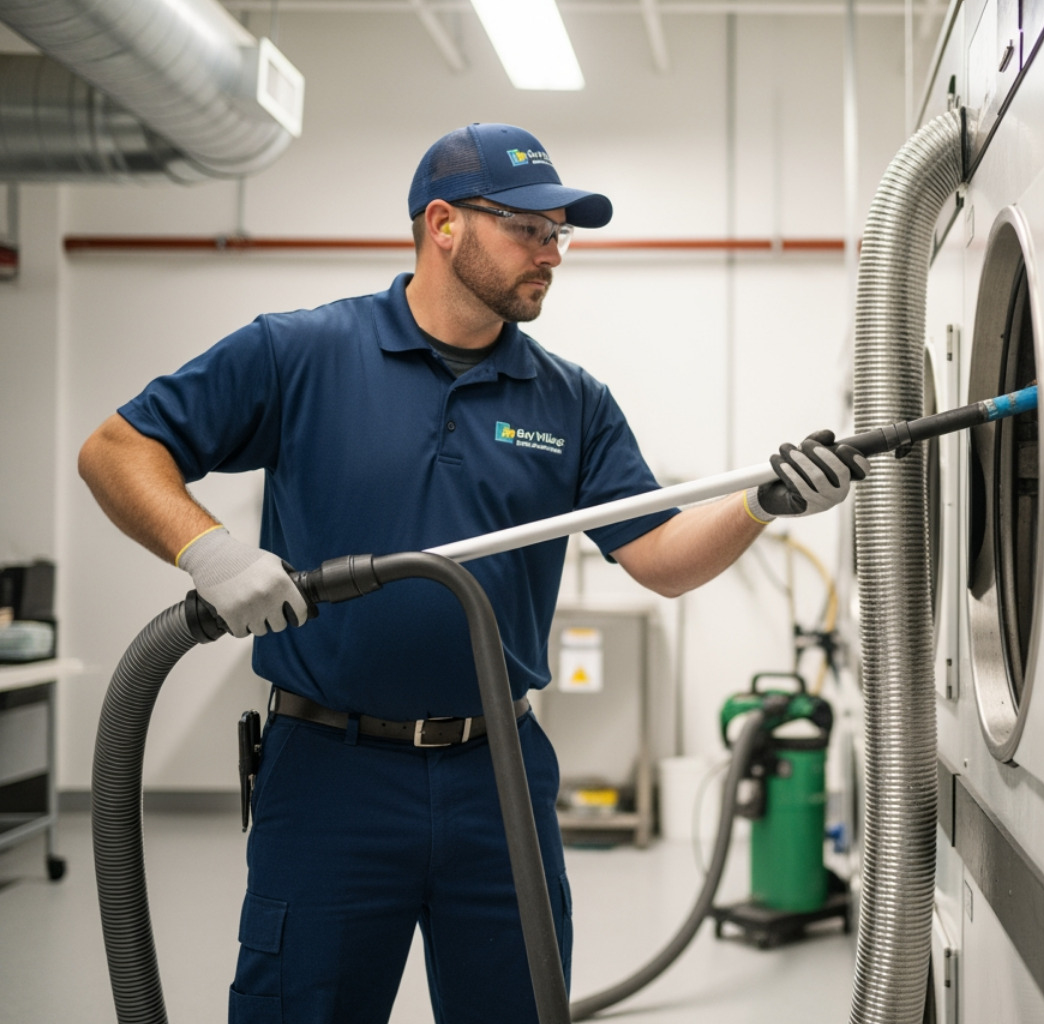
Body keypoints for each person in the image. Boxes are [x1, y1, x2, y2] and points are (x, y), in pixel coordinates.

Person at [77, 122, 869, 1023]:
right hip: (331, 775)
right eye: (528, 228)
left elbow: (659, 559)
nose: (552, 255)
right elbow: (117, 448)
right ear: (443, 224)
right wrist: (210, 551)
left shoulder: (571, 399)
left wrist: (762, 506)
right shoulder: (299, 354)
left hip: (499, 775)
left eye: (559, 234)